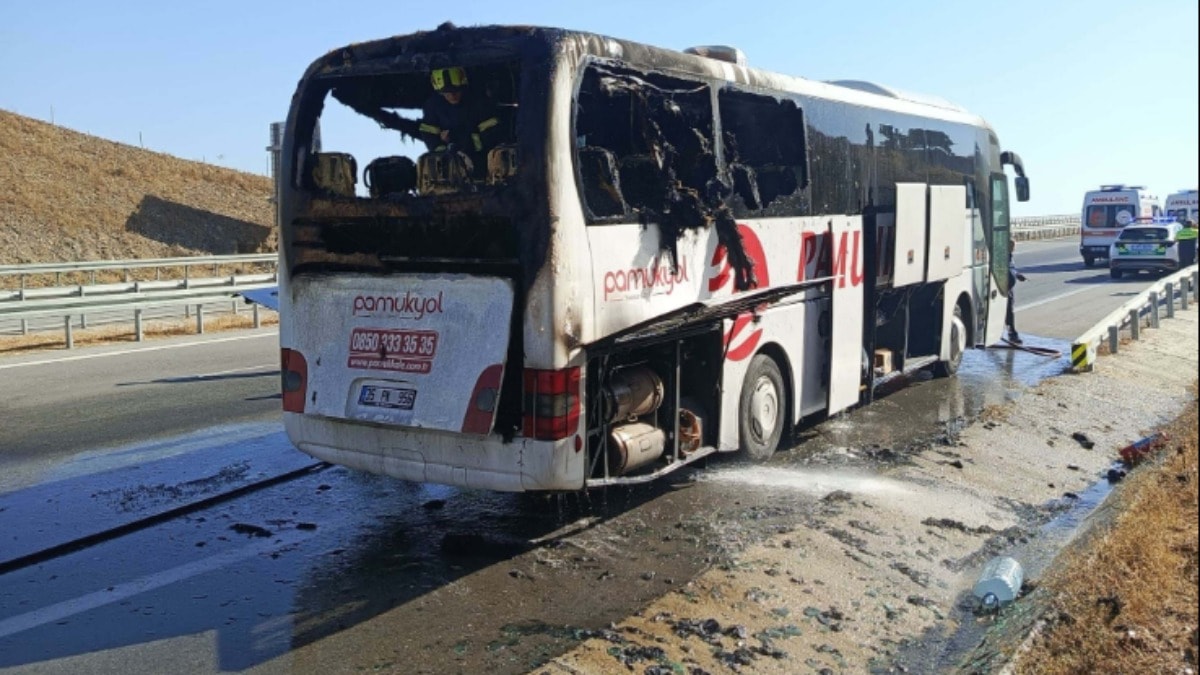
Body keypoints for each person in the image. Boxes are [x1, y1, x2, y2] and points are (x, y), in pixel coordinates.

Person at [418, 66, 504, 173]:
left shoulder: (478, 103)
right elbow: (429, 136)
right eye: (447, 92)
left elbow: (491, 136)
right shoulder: (433, 106)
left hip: (483, 162)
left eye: (456, 90)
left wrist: (462, 143)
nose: (452, 95)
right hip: (451, 166)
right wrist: (444, 150)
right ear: (440, 92)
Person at [1006, 239, 1028, 344]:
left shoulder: (1010, 256)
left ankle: (1012, 332)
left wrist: (1017, 275)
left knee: (1009, 310)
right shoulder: (1003, 257)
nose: (1014, 248)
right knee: (1008, 311)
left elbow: (1012, 269)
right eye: (1013, 246)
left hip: (1009, 288)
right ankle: (1012, 333)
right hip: (1005, 288)